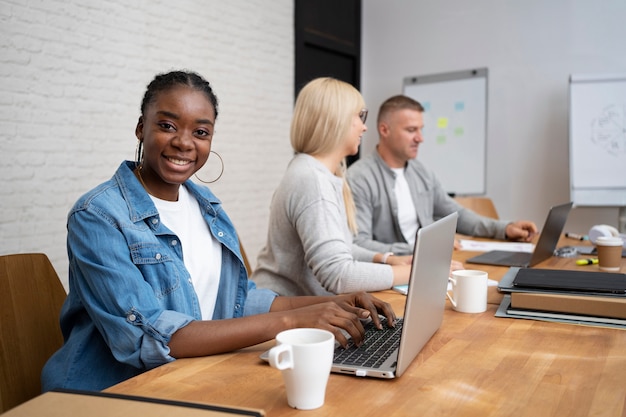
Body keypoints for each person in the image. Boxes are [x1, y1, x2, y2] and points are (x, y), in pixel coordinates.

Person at [41, 71, 396, 392]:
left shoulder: (205, 204)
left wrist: (333, 302)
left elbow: (239, 302)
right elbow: (150, 337)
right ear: (140, 127)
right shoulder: (98, 215)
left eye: (200, 132)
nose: (184, 142)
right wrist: (291, 320)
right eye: (167, 125)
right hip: (113, 393)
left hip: (194, 378)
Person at [251, 77, 413, 298]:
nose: (365, 127)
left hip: (299, 309)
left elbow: (340, 248)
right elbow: (339, 275)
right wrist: (413, 273)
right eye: (360, 116)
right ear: (336, 119)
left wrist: (386, 259)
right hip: (284, 316)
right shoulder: (312, 180)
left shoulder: (320, 173)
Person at [346, 95, 538, 256]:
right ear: (384, 130)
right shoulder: (359, 178)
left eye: (421, 129)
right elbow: (359, 244)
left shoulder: (421, 172)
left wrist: (504, 229)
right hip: (395, 273)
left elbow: (457, 215)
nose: (420, 138)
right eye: (411, 130)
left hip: (431, 263)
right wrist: (419, 249)